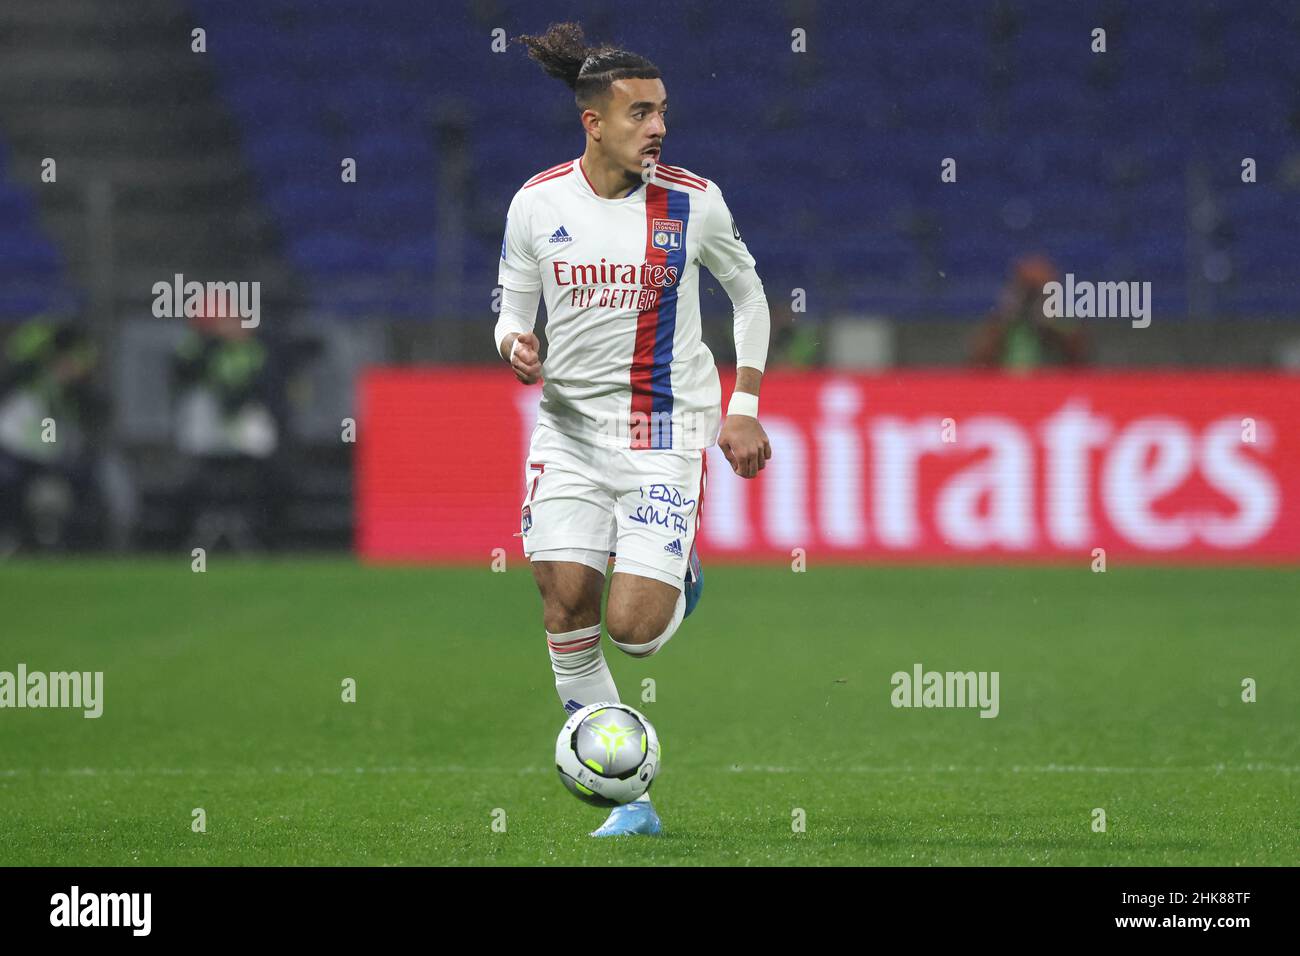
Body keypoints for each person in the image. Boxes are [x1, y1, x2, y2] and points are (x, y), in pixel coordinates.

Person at [496, 22, 772, 837]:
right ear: (593, 121)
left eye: (661, 111)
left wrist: (745, 405)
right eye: (640, 112)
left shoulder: (693, 201)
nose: (658, 126)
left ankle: (679, 565)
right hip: (568, 437)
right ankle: (631, 801)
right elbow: (510, 310)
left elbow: (750, 299)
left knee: (636, 633)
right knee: (564, 605)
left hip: (662, 433)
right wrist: (514, 345)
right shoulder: (536, 204)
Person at [970, 254, 1088, 369]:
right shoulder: (1002, 321)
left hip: (1053, 384)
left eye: (1037, 289)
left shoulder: (1064, 320)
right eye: (1027, 288)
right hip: (1009, 383)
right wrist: (1006, 316)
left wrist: (1050, 323)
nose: (1032, 296)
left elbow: (1080, 360)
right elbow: (978, 361)